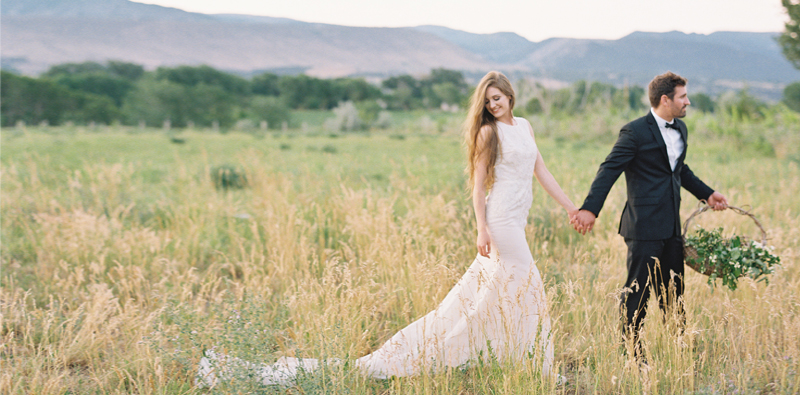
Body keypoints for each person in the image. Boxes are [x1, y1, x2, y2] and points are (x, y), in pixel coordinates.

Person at [198, 71, 577, 387]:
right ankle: (535, 368)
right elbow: (478, 188)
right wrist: (481, 229)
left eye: (499, 98)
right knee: (529, 285)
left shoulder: (525, 127)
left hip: (518, 217)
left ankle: (502, 356)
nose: (494, 105)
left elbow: (541, 172)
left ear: (511, 96)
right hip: (499, 221)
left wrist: (570, 208)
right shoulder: (487, 133)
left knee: (501, 294)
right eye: (488, 101)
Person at [572, 71, 728, 362]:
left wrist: (708, 193)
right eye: (683, 97)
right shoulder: (634, 132)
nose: (688, 102)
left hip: (671, 227)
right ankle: (632, 352)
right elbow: (609, 169)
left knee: (674, 291)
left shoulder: (680, 129)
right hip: (642, 227)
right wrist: (590, 209)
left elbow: (679, 170)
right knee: (638, 293)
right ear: (665, 99)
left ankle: (677, 348)